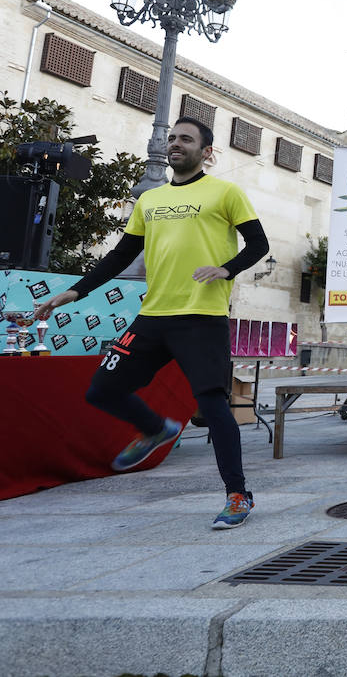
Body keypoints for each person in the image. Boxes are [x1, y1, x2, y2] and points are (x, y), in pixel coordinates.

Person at [34, 117, 269, 530]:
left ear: (206, 152)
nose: (175, 144)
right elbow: (120, 255)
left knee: (213, 406)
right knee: (102, 389)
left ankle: (237, 495)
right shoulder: (150, 200)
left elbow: (259, 244)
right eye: (173, 138)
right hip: (153, 316)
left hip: (201, 317)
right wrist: (76, 291)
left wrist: (226, 269)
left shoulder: (225, 192)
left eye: (186, 139)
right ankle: (156, 428)